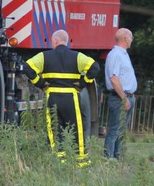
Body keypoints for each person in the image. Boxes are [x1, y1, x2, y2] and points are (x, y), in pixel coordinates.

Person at [24, 29, 100, 166]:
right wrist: (83, 83)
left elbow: (27, 67)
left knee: (54, 131)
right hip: (71, 98)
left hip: (52, 97)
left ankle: (59, 162)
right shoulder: (77, 56)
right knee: (77, 130)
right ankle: (82, 163)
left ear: (55, 41)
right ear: (66, 41)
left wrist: (40, 83)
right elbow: (95, 67)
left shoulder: (44, 56)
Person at [103, 28, 137, 160]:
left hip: (126, 97)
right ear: (125, 39)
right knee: (114, 130)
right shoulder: (115, 55)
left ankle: (118, 158)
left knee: (121, 131)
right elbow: (114, 78)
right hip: (120, 98)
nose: (132, 40)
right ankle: (108, 159)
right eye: (131, 37)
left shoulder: (123, 54)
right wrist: (124, 98)